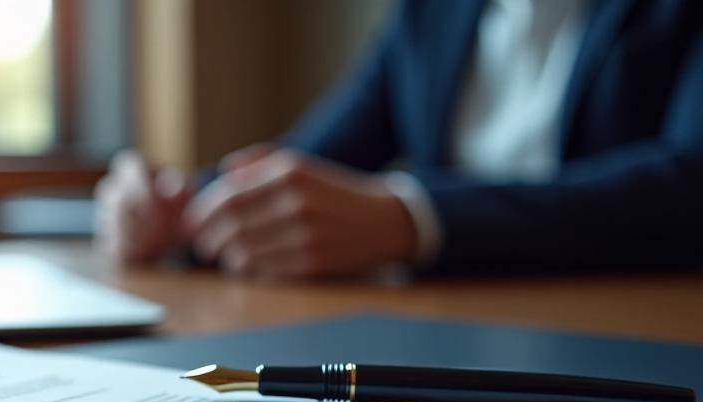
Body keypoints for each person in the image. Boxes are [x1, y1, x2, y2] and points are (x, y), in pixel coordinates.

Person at [95, 0, 703, 278]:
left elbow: (686, 185)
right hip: (452, 332)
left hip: (637, 330)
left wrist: (412, 220)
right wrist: (174, 203)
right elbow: (310, 162)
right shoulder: (431, 13)